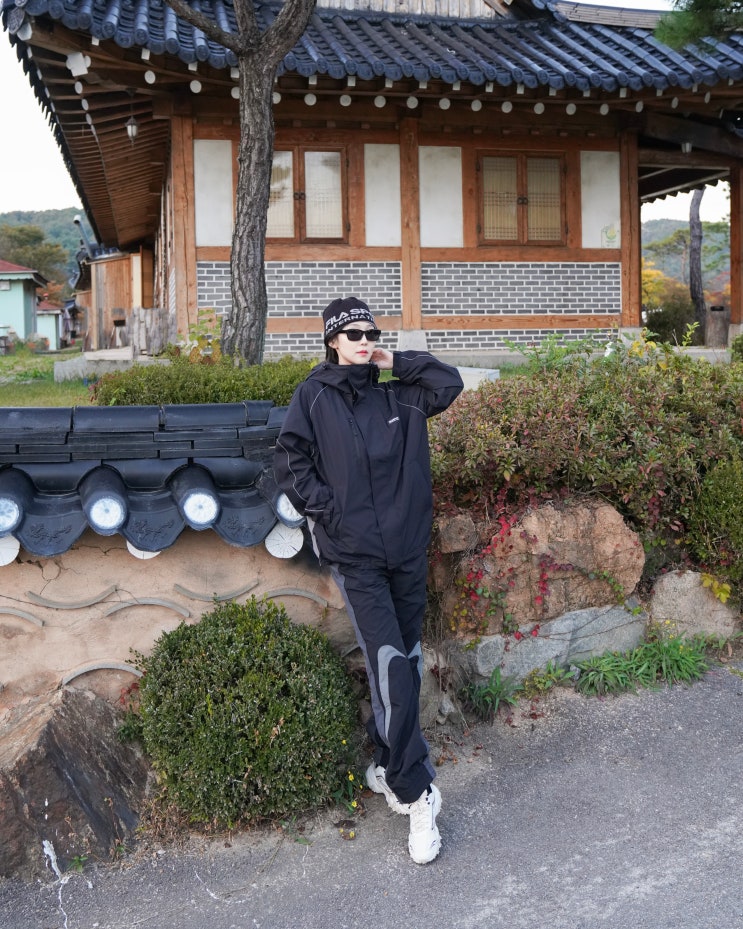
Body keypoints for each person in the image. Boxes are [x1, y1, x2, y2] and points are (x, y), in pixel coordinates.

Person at [273, 296, 463, 864]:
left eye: (370, 333)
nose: (363, 341)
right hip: (356, 557)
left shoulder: (398, 392)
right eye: (352, 334)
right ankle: (418, 792)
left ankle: (386, 761)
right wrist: (330, 511)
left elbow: (448, 384)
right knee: (391, 666)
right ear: (332, 340)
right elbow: (290, 461)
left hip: (406, 551)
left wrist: (395, 359)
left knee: (405, 660)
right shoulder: (314, 395)